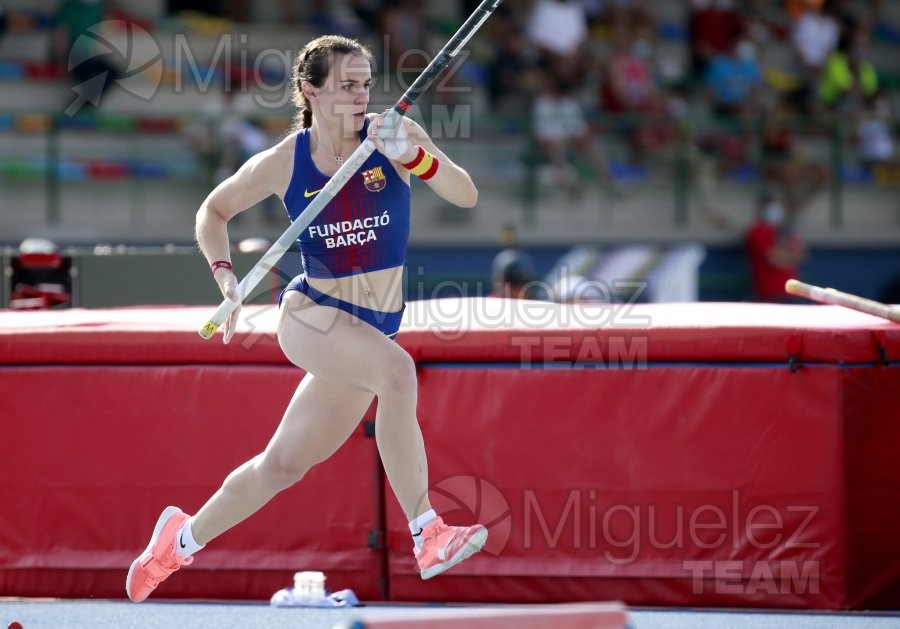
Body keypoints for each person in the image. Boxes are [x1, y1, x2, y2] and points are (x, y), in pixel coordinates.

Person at [125, 35, 487, 603]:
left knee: (282, 467)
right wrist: (225, 276)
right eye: (346, 86)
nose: (360, 95)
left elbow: (464, 194)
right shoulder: (283, 161)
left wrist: (417, 157)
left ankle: (180, 539)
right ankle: (428, 532)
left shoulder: (393, 137)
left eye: (366, 84)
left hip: (371, 328)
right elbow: (212, 211)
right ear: (310, 91)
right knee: (397, 374)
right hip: (312, 314)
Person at [745, 195, 807, 302]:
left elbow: (801, 256)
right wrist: (789, 253)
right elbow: (773, 258)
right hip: (769, 293)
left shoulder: (784, 230)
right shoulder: (758, 231)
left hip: (791, 292)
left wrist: (784, 253)